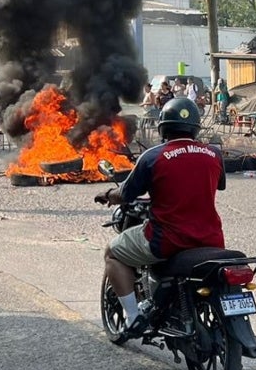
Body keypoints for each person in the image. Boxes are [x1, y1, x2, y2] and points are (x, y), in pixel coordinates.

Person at [94, 98, 225, 337]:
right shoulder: (213, 154)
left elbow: (125, 194)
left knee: (112, 252)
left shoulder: (154, 157)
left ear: (163, 127)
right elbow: (215, 185)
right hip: (211, 238)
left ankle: (134, 319)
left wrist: (107, 194)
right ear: (195, 127)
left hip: (168, 239)